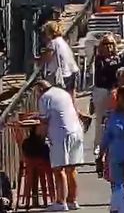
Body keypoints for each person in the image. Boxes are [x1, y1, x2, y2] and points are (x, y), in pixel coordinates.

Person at [36, 79, 84, 211]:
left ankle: (60, 201)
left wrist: (40, 137)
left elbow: (44, 122)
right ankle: (72, 200)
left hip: (60, 135)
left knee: (59, 169)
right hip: (76, 131)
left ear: (39, 89)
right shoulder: (62, 93)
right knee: (71, 168)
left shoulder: (44, 98)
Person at [92, 34, 124, 151]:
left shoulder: (119, 58)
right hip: (102, 90)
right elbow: (101, 75)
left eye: (110, 44)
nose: (108, 47)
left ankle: (114, 143)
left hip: (115, 90)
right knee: (100, 119)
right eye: (105, 44)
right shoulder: (99, 59)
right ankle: (98, 145)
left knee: (116, 117)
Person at [40, 21, 80, 93]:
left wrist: (37, 60)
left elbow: (48, 58)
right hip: (71, 70)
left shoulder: (53, 43)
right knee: (70, 94)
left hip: (61, 74)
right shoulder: (62, 41)